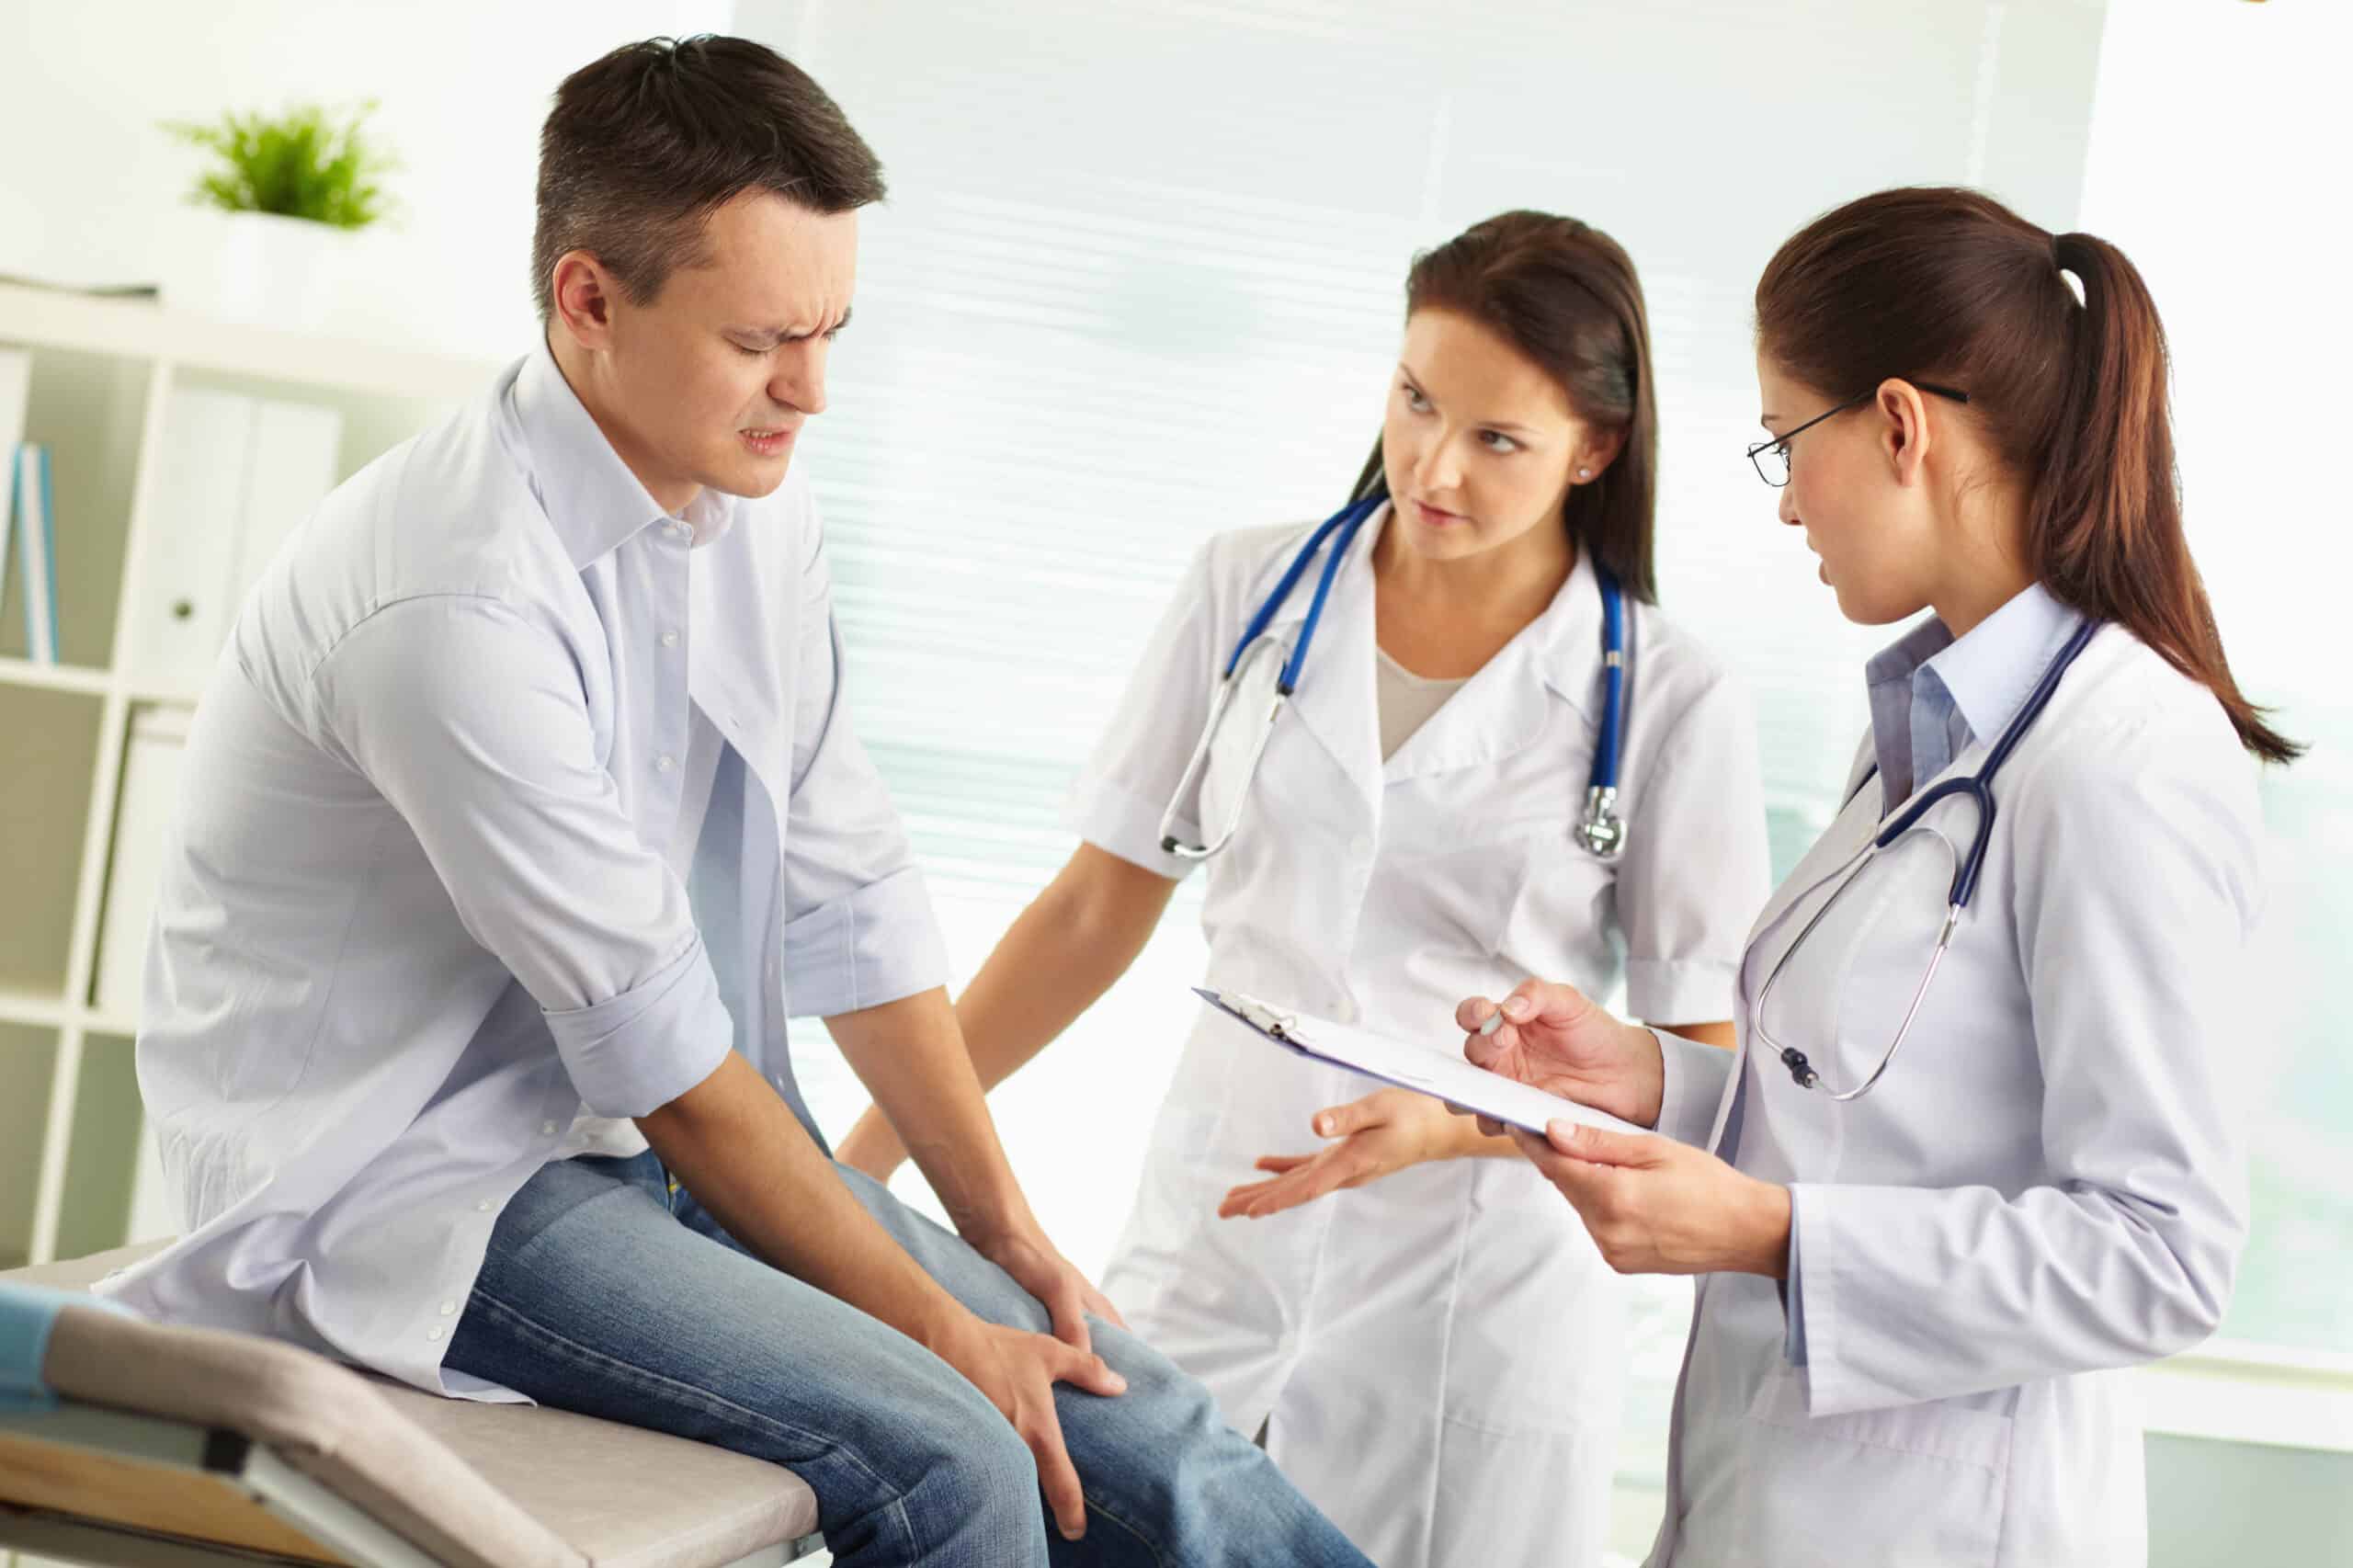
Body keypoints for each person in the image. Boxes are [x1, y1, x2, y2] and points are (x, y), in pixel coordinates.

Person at [97, 35, 1373, 1568]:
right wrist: (939, 1332)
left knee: (1140, 1418)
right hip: (420, 1193)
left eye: (832, 330)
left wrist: (1006, 1232)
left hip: (642, 1146)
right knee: (962, 1453)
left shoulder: (750, 496)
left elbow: (851, 892)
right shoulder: (453, 601)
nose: (813, 392)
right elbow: (677, 1073)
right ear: (589, 299)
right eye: (767, 337)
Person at [842, 210, 1772, 1567]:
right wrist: (850, 1173)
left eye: (1497, 439)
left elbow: (1697, 1069)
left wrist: (1457, 1124)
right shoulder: (1251, 587)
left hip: (1474, 1304)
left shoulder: (1676, 697)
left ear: (1597, 447)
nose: (1432, 464)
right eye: (1414, 400)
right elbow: (1092, 914)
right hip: (1218, 1237)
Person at [1461, 186, 2293, 1567]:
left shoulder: (2122, 760)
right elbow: (1880, 1114)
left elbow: (2162, 1250)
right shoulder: (1931, 724)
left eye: (1789, 439)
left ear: (1901, 423)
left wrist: (1776, 1236)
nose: (1786, 499)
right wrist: (1656, 1079)